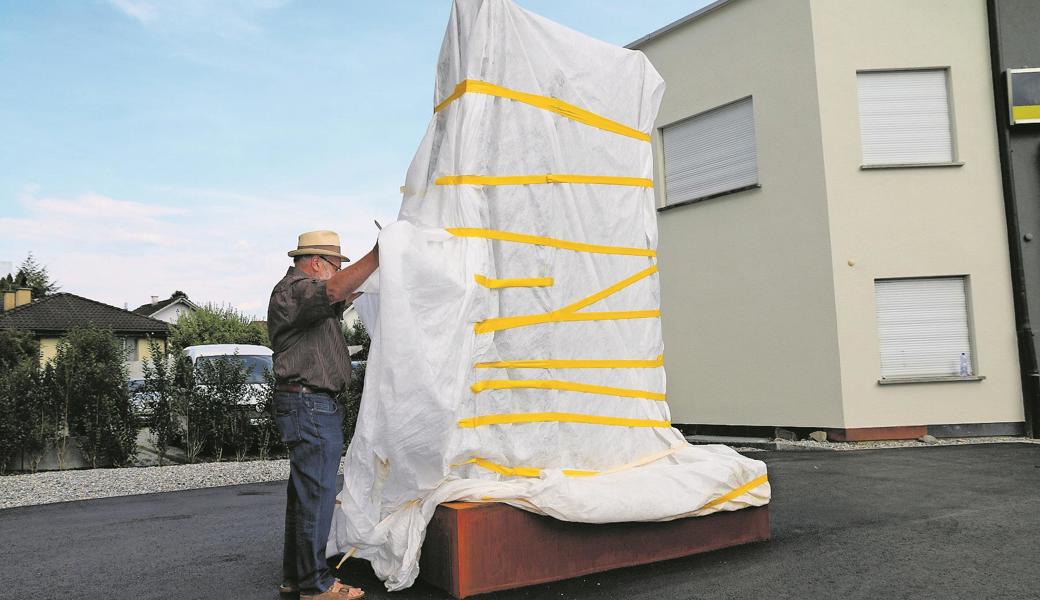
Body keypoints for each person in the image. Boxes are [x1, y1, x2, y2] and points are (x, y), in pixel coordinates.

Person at [267, 230, 378, 599]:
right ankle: (316, 585)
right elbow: (331, 292)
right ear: (317, 263)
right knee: (316, 495)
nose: (336, 273)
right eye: (336, 265)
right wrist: (378, 254)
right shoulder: (295, 290)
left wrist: (373, 279)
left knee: (304, 497)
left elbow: (340, 295)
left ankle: (295, 578)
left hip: (309, 404)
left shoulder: (303, 298)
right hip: (310, 404)